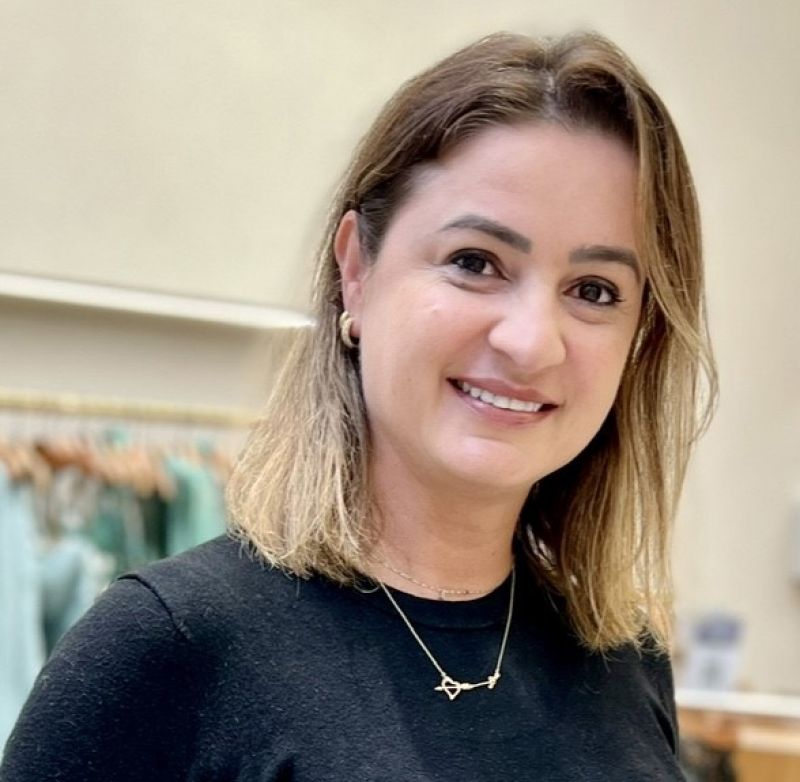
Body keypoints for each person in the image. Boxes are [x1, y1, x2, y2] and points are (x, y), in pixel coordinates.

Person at [1, 30, 716, 781]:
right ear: (356, 271)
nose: (532, 341)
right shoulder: (168, 649)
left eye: (595, 290)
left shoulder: (623, 659)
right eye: (475, 262)